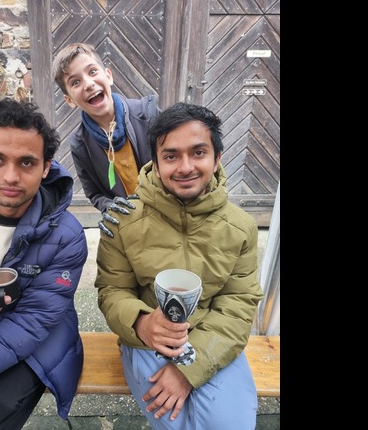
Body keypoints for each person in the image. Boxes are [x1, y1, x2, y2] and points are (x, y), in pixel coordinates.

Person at [94, 102, 265, 429]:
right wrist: (141, 323)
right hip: (148, 340)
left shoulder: (240, 227)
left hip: (215, 337)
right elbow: (112, 291)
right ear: (156, 165)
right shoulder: (123, 222)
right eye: (171, 156)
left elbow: (239, 302)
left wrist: (189, 370)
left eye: (198, 153)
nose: (185, 167)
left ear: (217, 159)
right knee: (177, 423)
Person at [0, 97, 88, 430]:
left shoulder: (67, 235)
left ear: (45, 167)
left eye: (26, 162)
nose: (11, 176)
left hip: (34, 340)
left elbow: (33, 322)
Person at [51, 42, 161, 236]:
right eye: (75, 82)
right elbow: (94, 194)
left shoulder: (148, 114)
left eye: (92, 72)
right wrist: (109, 207)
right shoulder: (79, 144)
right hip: (131, 228)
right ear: (69, 100)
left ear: (108, 75)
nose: (88, 84)